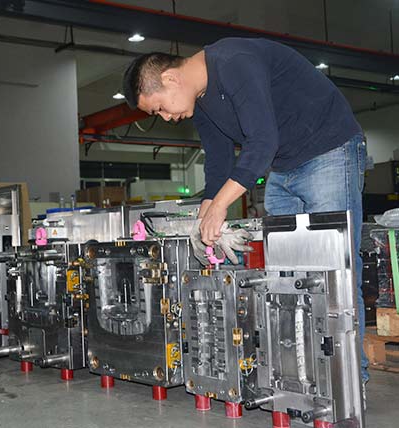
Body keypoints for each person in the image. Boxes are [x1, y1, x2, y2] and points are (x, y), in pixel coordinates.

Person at [122, 37, 369, 386]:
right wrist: (204, 216)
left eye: (159, 107)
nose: (166, 117)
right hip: (284, 167)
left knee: (336, 270)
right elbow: (219, 159)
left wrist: (220, 207)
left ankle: (349, 384)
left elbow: (262, 142)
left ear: (171, 78)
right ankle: (305, 381)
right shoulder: (200, 100)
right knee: (288, 277)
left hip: (328, 150)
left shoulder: (233, 61)